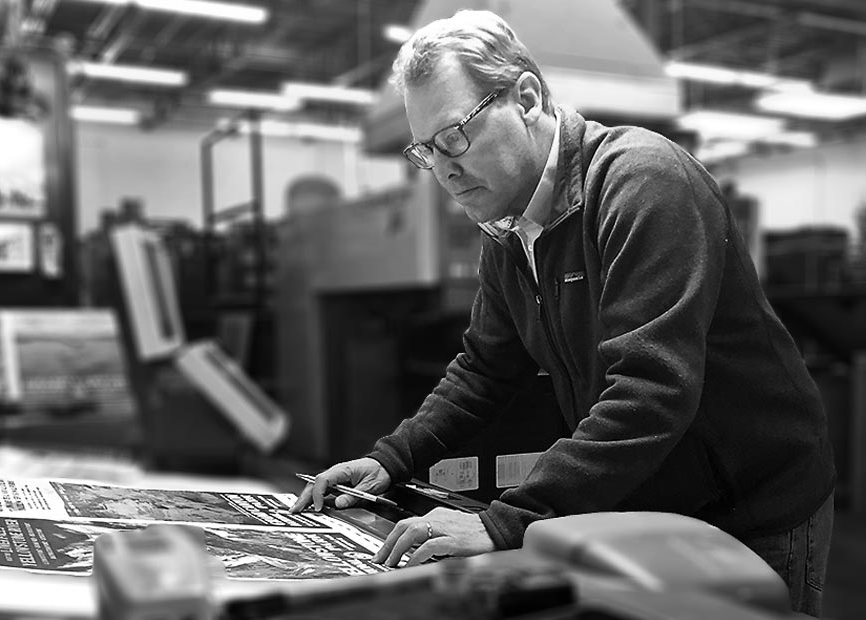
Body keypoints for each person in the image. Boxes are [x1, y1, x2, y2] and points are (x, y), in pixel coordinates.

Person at [291, 9, 836, 616]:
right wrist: (389, 459)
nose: (443, 168)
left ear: (525, 98)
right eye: (426, 150)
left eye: (454, 137)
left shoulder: (641, 182)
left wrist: (508, 521)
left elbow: (651, 390)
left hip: (750, 500)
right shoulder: (508, 228)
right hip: (646, 496)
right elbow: (484, 369)